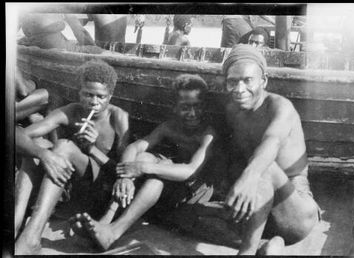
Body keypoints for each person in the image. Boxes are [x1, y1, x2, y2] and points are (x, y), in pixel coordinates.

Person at [69, 74, 226, 251]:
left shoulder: (207, 134)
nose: (192, 113)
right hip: (172, 183)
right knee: (144, 157)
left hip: (194, 189)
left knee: (155, 171)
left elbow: (191, 171)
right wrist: (124, 178)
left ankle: (113, 232)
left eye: (197, 106)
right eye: (185, 107)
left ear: (204, 106)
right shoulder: (169, 127)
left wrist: (143, 167)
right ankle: (105, 221)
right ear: (174, 108)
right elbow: (135, 147)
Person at [14, 60, 130, 255]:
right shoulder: (72, 111)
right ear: (79, 92)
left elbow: (122, 171)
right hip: (73, 186)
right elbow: (18, 133)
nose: (94, 102)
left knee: (64, 146)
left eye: (101, 97)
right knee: (39, 146)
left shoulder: (118, 117)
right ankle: (15, 223)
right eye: (88, 94)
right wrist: (43, 155)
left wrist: (92, 149)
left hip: (101, 193)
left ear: (110, 96)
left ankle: (31, 238)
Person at [220, 44, 319, 255]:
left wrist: (249, 177)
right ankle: (275, 244)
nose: (239, 89)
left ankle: (246, 252)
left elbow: (271, 142)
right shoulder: (232, 109)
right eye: (232, 82)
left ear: (263, 81)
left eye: (247, 80)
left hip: (296, 212)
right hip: (260, 213)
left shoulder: (280, 107)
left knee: (264, 165)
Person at [18, 13, 103, 54]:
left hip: (31, 38)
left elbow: (16, 23)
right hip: (52, 41)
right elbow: (79, 30)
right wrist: (92, 47)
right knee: (92, 50)